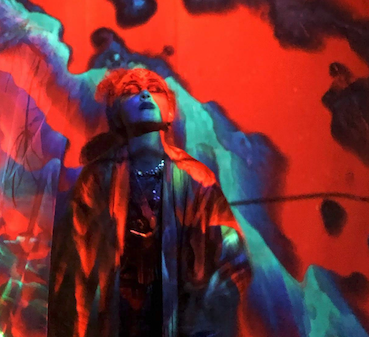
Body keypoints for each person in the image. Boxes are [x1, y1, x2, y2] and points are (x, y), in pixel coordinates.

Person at [49, 67, 252, 337]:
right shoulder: (98, 179)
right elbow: (73, 265)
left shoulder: (195, 178)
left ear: (170, 112)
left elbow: (231, 256)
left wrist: (206, 310)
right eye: (131, 90)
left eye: (155, 89)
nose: (145, 93)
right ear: (116, 112)